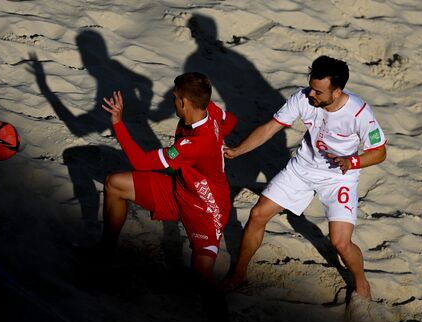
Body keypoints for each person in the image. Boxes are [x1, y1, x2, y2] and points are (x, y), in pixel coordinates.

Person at [222, 56, 387, 299]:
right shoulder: (303, 97)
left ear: (337, 91)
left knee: (340, 243)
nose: (311, 94)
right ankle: (239, 275)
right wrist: (237, 151)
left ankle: (362, 285)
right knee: (258, 215)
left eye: (318, 92)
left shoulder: (360, 113)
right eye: (311, 87)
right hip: (302, 168)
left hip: (339, 177)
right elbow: (270, 128)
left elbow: (380, 152)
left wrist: (352, 162)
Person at [100, 72, 238, 284]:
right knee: (114, 184)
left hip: (206, 211)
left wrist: (118, 122)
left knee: (202, 281)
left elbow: (141, 162)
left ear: (183, 102)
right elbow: (230, 121)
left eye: (174, 97)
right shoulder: (208, 109)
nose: (172, 101)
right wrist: (217, 147)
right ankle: (104, 253)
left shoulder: (193, 146)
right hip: (179, 190)